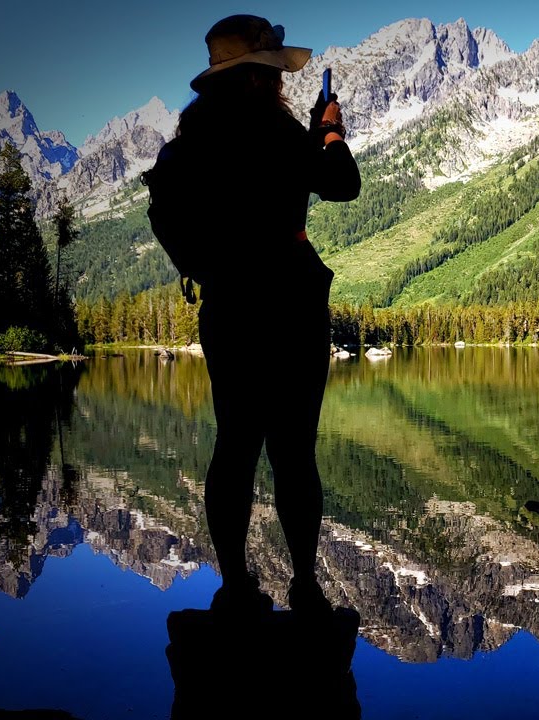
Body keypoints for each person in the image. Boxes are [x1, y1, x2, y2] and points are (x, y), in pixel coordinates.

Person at [146, 15, 361, 616]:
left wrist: (211, 268)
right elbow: (344, 186)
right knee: (295, 450)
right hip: (291, 302)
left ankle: (236, 585)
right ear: (259, 78)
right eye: (273, 73)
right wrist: (330, 132)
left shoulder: (186, 144)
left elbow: (166, 217)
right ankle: (306, 587)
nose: (280, 83)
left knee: (235, 443)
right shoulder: (282, 134)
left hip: (229, 304)